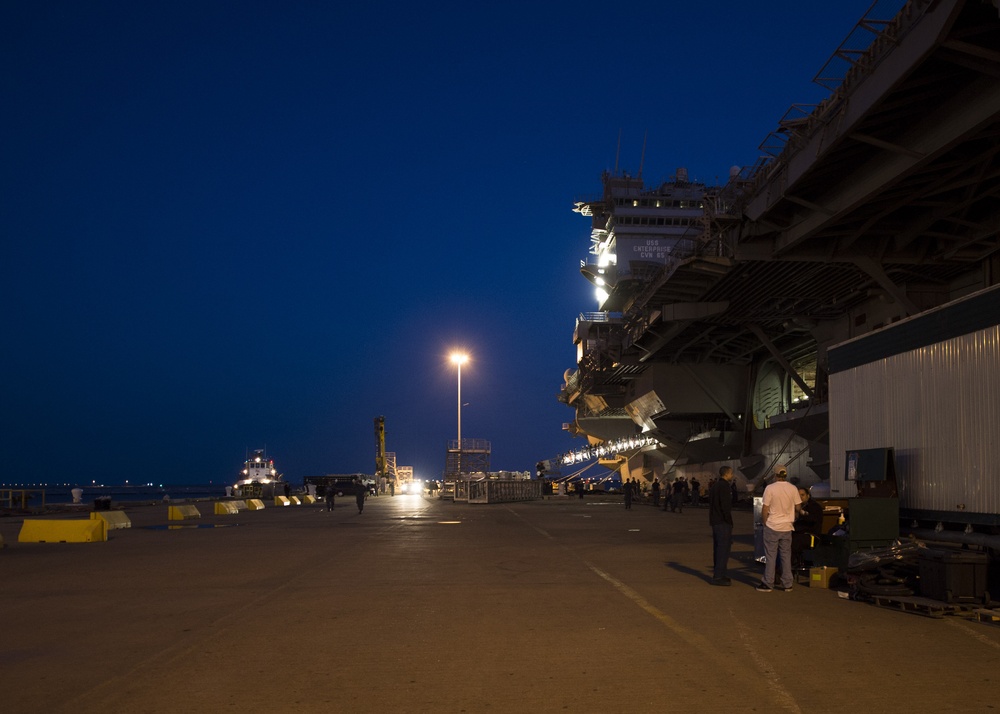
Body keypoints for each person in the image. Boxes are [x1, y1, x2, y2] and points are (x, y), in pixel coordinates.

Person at [756, 465, 802, 592]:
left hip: (772, 525)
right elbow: (798, 507)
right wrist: (795, 516)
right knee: (786, 556)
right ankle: (787, 583)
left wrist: (765, 522)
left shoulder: (770, 488)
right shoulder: (793, 488)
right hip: (787, 527)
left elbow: (765, 508)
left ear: (775, 475)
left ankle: (768, 583)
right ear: (785, 475)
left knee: (771, 556)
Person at [709, 466, 735, 585]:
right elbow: (725, 506)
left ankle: (719, 573)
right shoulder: (725, 487)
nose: (732, 475)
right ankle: (719, 576)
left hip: (715, 521)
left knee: (718, 549)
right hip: (723, 522)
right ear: (727, 474)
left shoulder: (715, 485)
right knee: (724, 549)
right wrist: (729, 521)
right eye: (731, 473)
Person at [793, 487, 824, 566]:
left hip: (810, 535)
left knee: (790, 542)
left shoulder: (814, 507)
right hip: (799, 534)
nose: (800, 497)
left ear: (808, 495)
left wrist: (802, 514)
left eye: (802, 495)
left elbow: (812, 520)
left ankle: (791, 567)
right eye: (798, 495)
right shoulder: (797, 507)